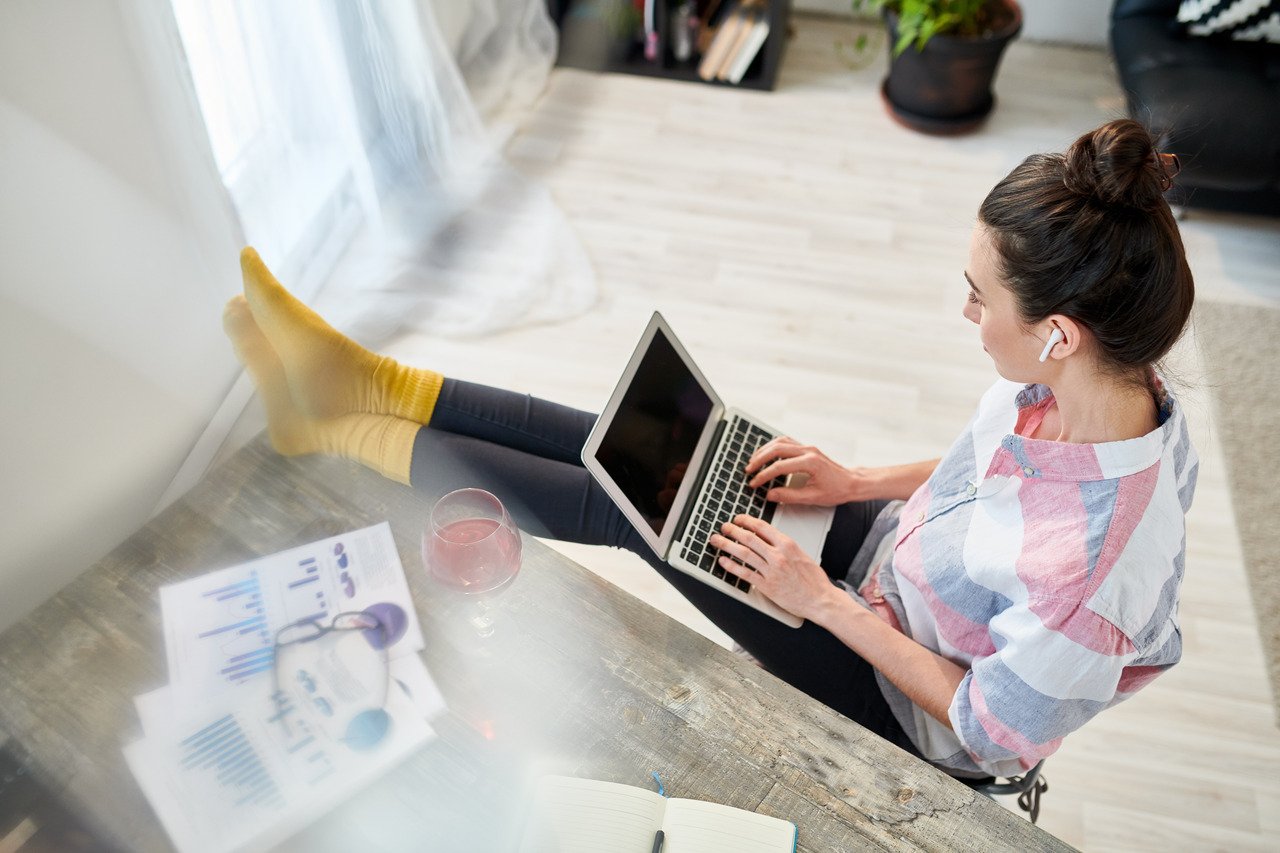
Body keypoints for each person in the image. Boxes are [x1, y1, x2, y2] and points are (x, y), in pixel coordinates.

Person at [222, 118, 1197, 780]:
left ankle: (338, 425)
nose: (966, 313)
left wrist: (817, 601)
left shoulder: (1092, 578)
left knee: (636, 507)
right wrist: (853, 480)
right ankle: (362, 383)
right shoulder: (1106, 385)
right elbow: (986, 470)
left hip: (900, 693)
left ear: (1057, 332)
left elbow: (988, 726)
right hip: (889, 566)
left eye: (980, 296)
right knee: (637, 442)